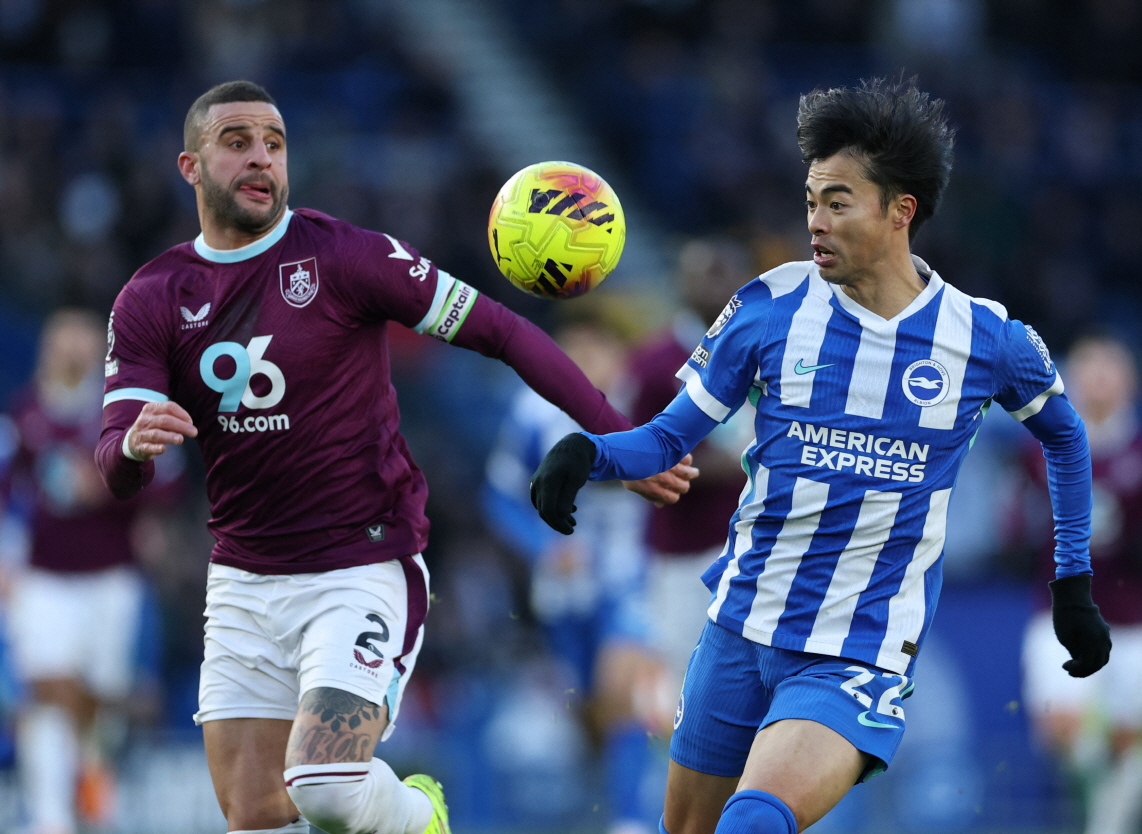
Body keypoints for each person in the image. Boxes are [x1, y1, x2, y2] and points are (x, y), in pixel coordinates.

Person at [93, 80, 696, 834]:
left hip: (361, 566)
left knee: (326, 786)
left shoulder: (349, 257)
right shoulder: (151, 297)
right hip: (243, 578)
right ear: (190, 165)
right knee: (251, 811)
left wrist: (622, 442)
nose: (261, 159)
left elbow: (502, 333)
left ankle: (419, 817)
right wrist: (134, 450)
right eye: (237, 142)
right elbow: (118, 465)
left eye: (275, 144)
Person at [530, 77, 1113, 834]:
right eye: (810, 200)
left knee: (753, 822)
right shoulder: (769, 307)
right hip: (738, 626)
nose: (816, 221)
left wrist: (1073, 581)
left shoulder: (985, 338)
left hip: (857, 649)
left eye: (838, 201)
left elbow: (1066, 436)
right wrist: (589, 453)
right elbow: (670, 439)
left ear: (900, 211)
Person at [1, 309, 182, 834]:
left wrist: (105, 489)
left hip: (111, 577)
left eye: (82, 343)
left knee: (100, 701)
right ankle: (51, 817)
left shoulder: (122, 411)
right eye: (63, 343)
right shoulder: (24, 415)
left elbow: (167, 482)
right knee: (46, 689)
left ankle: (95, 800)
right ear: (47, 350)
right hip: (43, 577)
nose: (72, 353)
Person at [484, 320, 665, 834]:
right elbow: (499, 496)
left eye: (596, 345)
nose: (585, 358)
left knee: (622, 690)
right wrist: (545, 546)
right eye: (573, 348)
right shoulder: (533, 413)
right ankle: (611, 804)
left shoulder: (649, 403)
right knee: (588, 714)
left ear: (620, 353)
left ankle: (631, 818)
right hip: (566, 591)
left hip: (637, 575)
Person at [1017, 334, 1142, 834]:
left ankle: (1108, 827)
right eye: (1088, 369)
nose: (1098, 382)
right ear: (1070, 381)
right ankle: (1100, 799)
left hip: (1133, 618)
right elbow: (1015, 516)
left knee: (1128, 740)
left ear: (1130, 383)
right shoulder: (1041, 447)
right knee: (1059, 729)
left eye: (1109, 370)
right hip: (1058, 612)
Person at [627, 239, 757, 696]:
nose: (715, 286)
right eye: (704, 273)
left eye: (724, 272)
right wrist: (718, 466)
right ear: (682, 283)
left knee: (748, 676)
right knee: (681, 676)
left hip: (758, 542)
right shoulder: (653, 363)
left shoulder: (765, 349)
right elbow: (637, 457)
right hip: (683, 547)